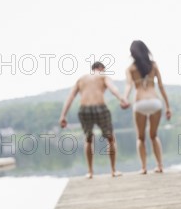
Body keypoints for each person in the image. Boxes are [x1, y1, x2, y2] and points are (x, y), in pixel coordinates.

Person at [59, 62, 129, 178]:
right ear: (101, 68)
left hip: (84, 109)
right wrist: (122, 99)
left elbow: (71, 97)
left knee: (88, 139)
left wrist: (63, 115)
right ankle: (113, 170)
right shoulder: (103, 76)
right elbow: (113, 89)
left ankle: (90, 172)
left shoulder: (81, 79)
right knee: (110, 138)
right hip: (100, 107)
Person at [124, 41, 171, 174]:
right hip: (155, 102)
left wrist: (125, 98)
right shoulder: (154, 65)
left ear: (132, 53)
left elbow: (128, 85)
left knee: (140, 137)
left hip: (140, 103)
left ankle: (144, 168)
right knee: (154, 135)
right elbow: (161, 87)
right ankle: (160, 165)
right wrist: (168, 106)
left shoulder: (130, 69)